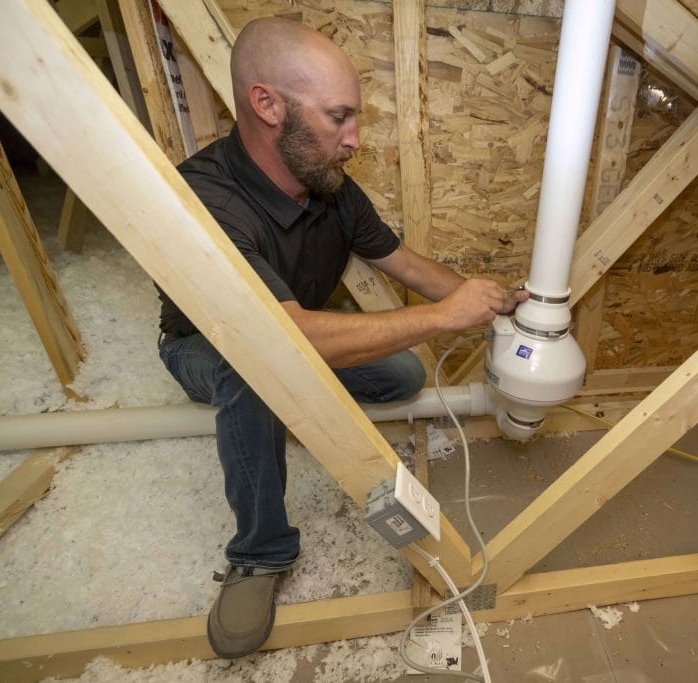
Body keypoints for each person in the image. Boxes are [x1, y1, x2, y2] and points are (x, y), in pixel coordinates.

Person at [156, 17, 526, 659]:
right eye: (338, 118)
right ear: (266, 104)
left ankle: (277, 412)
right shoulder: (204, 201)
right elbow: (282, 337)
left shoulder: (330, 187)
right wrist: (442, 319)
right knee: (255, 370)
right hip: (206, 346)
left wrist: (488, 300)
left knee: (402, 376)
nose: (354, 139)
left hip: (291, 336)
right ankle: (260, 554)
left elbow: (407, 265)